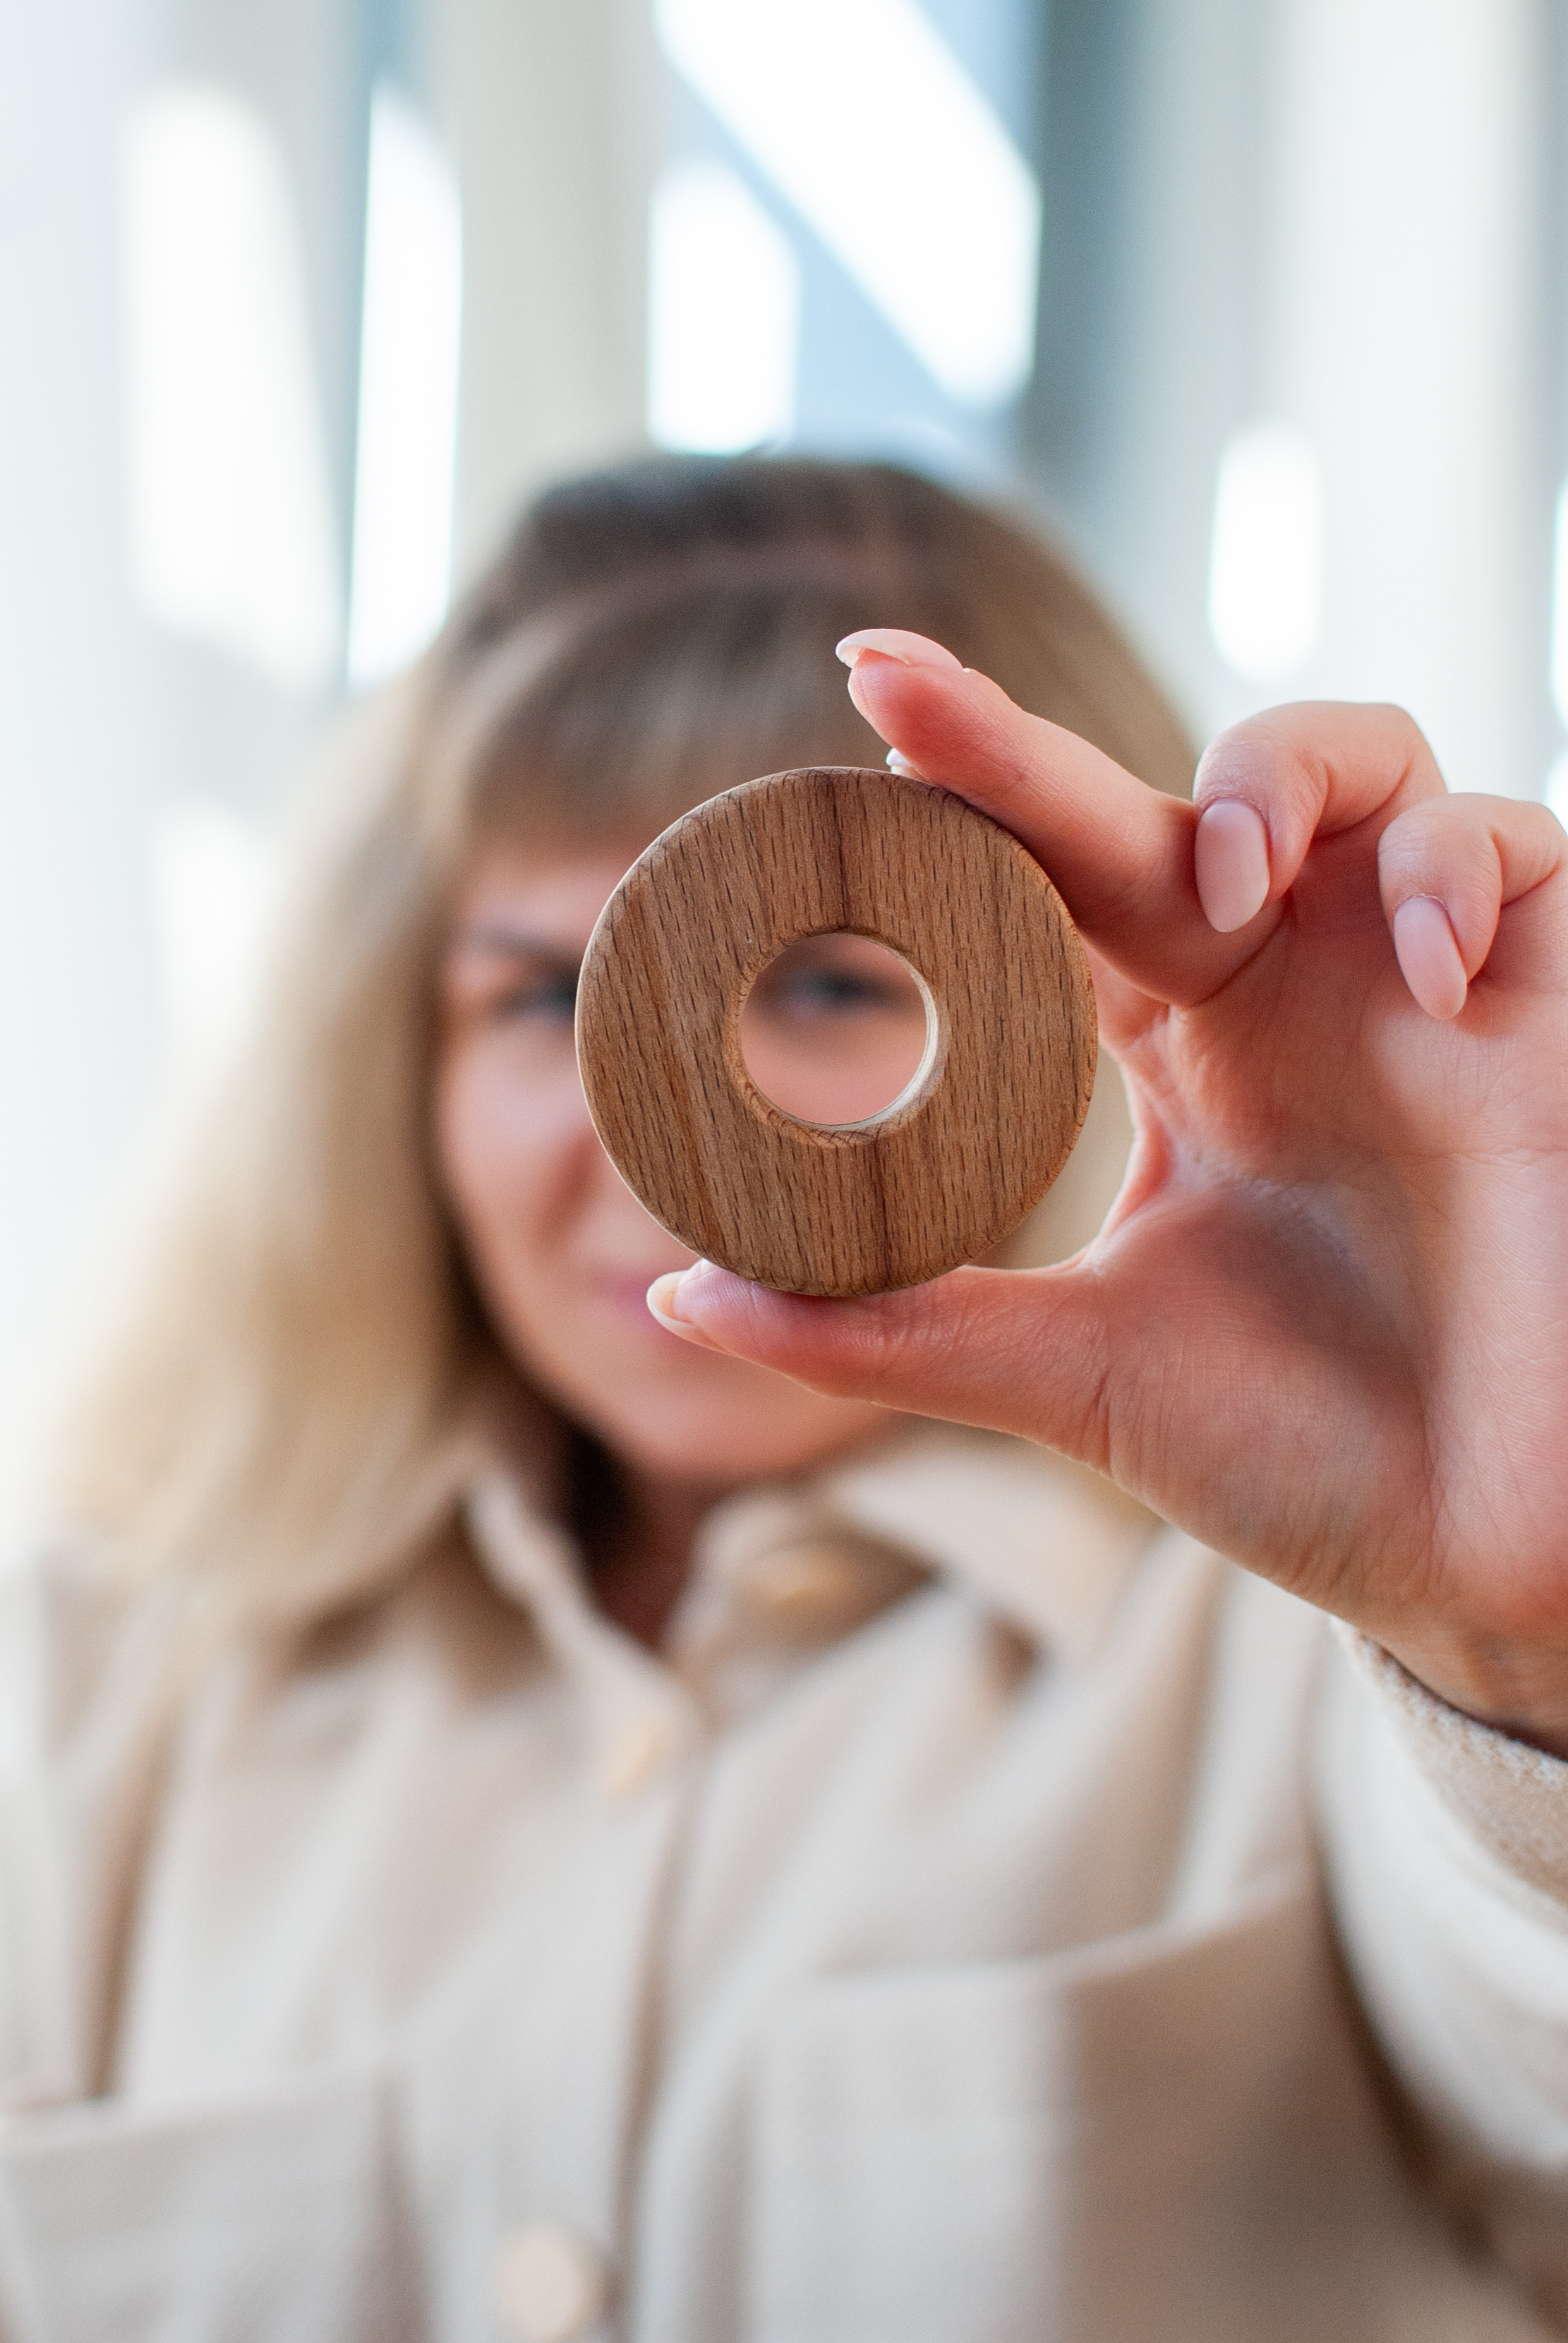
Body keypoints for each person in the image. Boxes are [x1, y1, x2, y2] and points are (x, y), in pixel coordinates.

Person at [0, 454, 1564, 2343]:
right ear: (386, 1064)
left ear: (1116, 1022)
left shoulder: (1348, 1682)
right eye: (540, 1001)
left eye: (831, 984)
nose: (655, 1155)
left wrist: (1522, 1651)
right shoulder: (92, 1700)